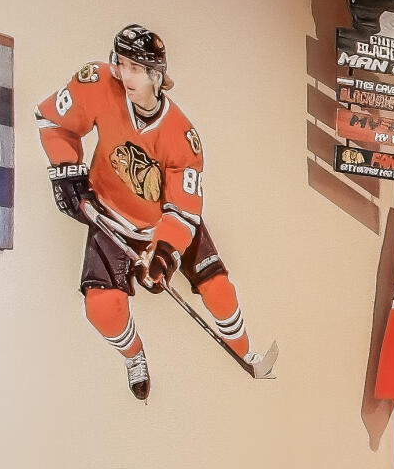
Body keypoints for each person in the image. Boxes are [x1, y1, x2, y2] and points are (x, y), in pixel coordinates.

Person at [38, 27, 278, 400]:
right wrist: (66, 170)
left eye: (135, 67)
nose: (123, 73)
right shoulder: (98, 82)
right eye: (120, 63)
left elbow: (183, 210)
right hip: (112, 213)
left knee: (219, 289)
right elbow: (54, 121)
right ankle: (134, 355)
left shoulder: (182, 136)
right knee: (101, 306)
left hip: (166, 219)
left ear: (157, 76)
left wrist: (164, 255)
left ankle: (245, 350)